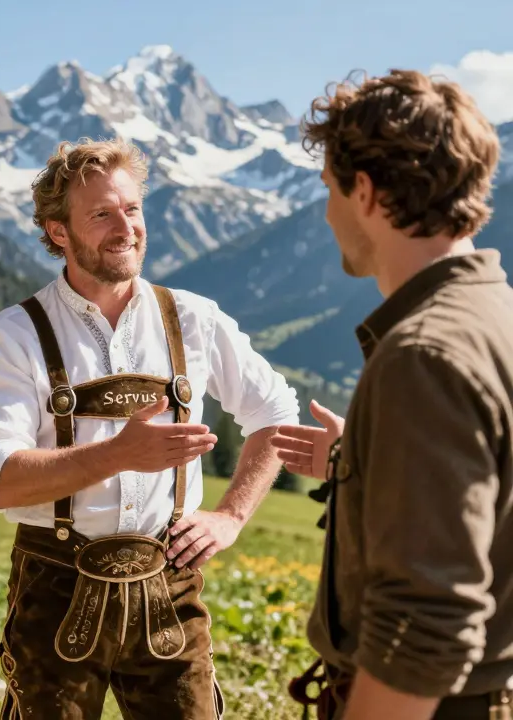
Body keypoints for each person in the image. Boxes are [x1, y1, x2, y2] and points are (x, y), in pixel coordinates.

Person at [0, 136, 300, 718]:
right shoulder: (11, 335)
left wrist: (230, 515)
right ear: (58, 231)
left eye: (133, 209)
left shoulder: (193, 318)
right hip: (56, 588)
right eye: (101, 214)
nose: (126, 227)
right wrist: (118, 453)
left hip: (170, 587)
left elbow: (276, 413)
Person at [273, 70, 513, 720]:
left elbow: (426, 623)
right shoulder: (496, 317)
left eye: (330, 189)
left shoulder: (423, 356)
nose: (326, 213)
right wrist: (359, 458)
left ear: (368, 193)